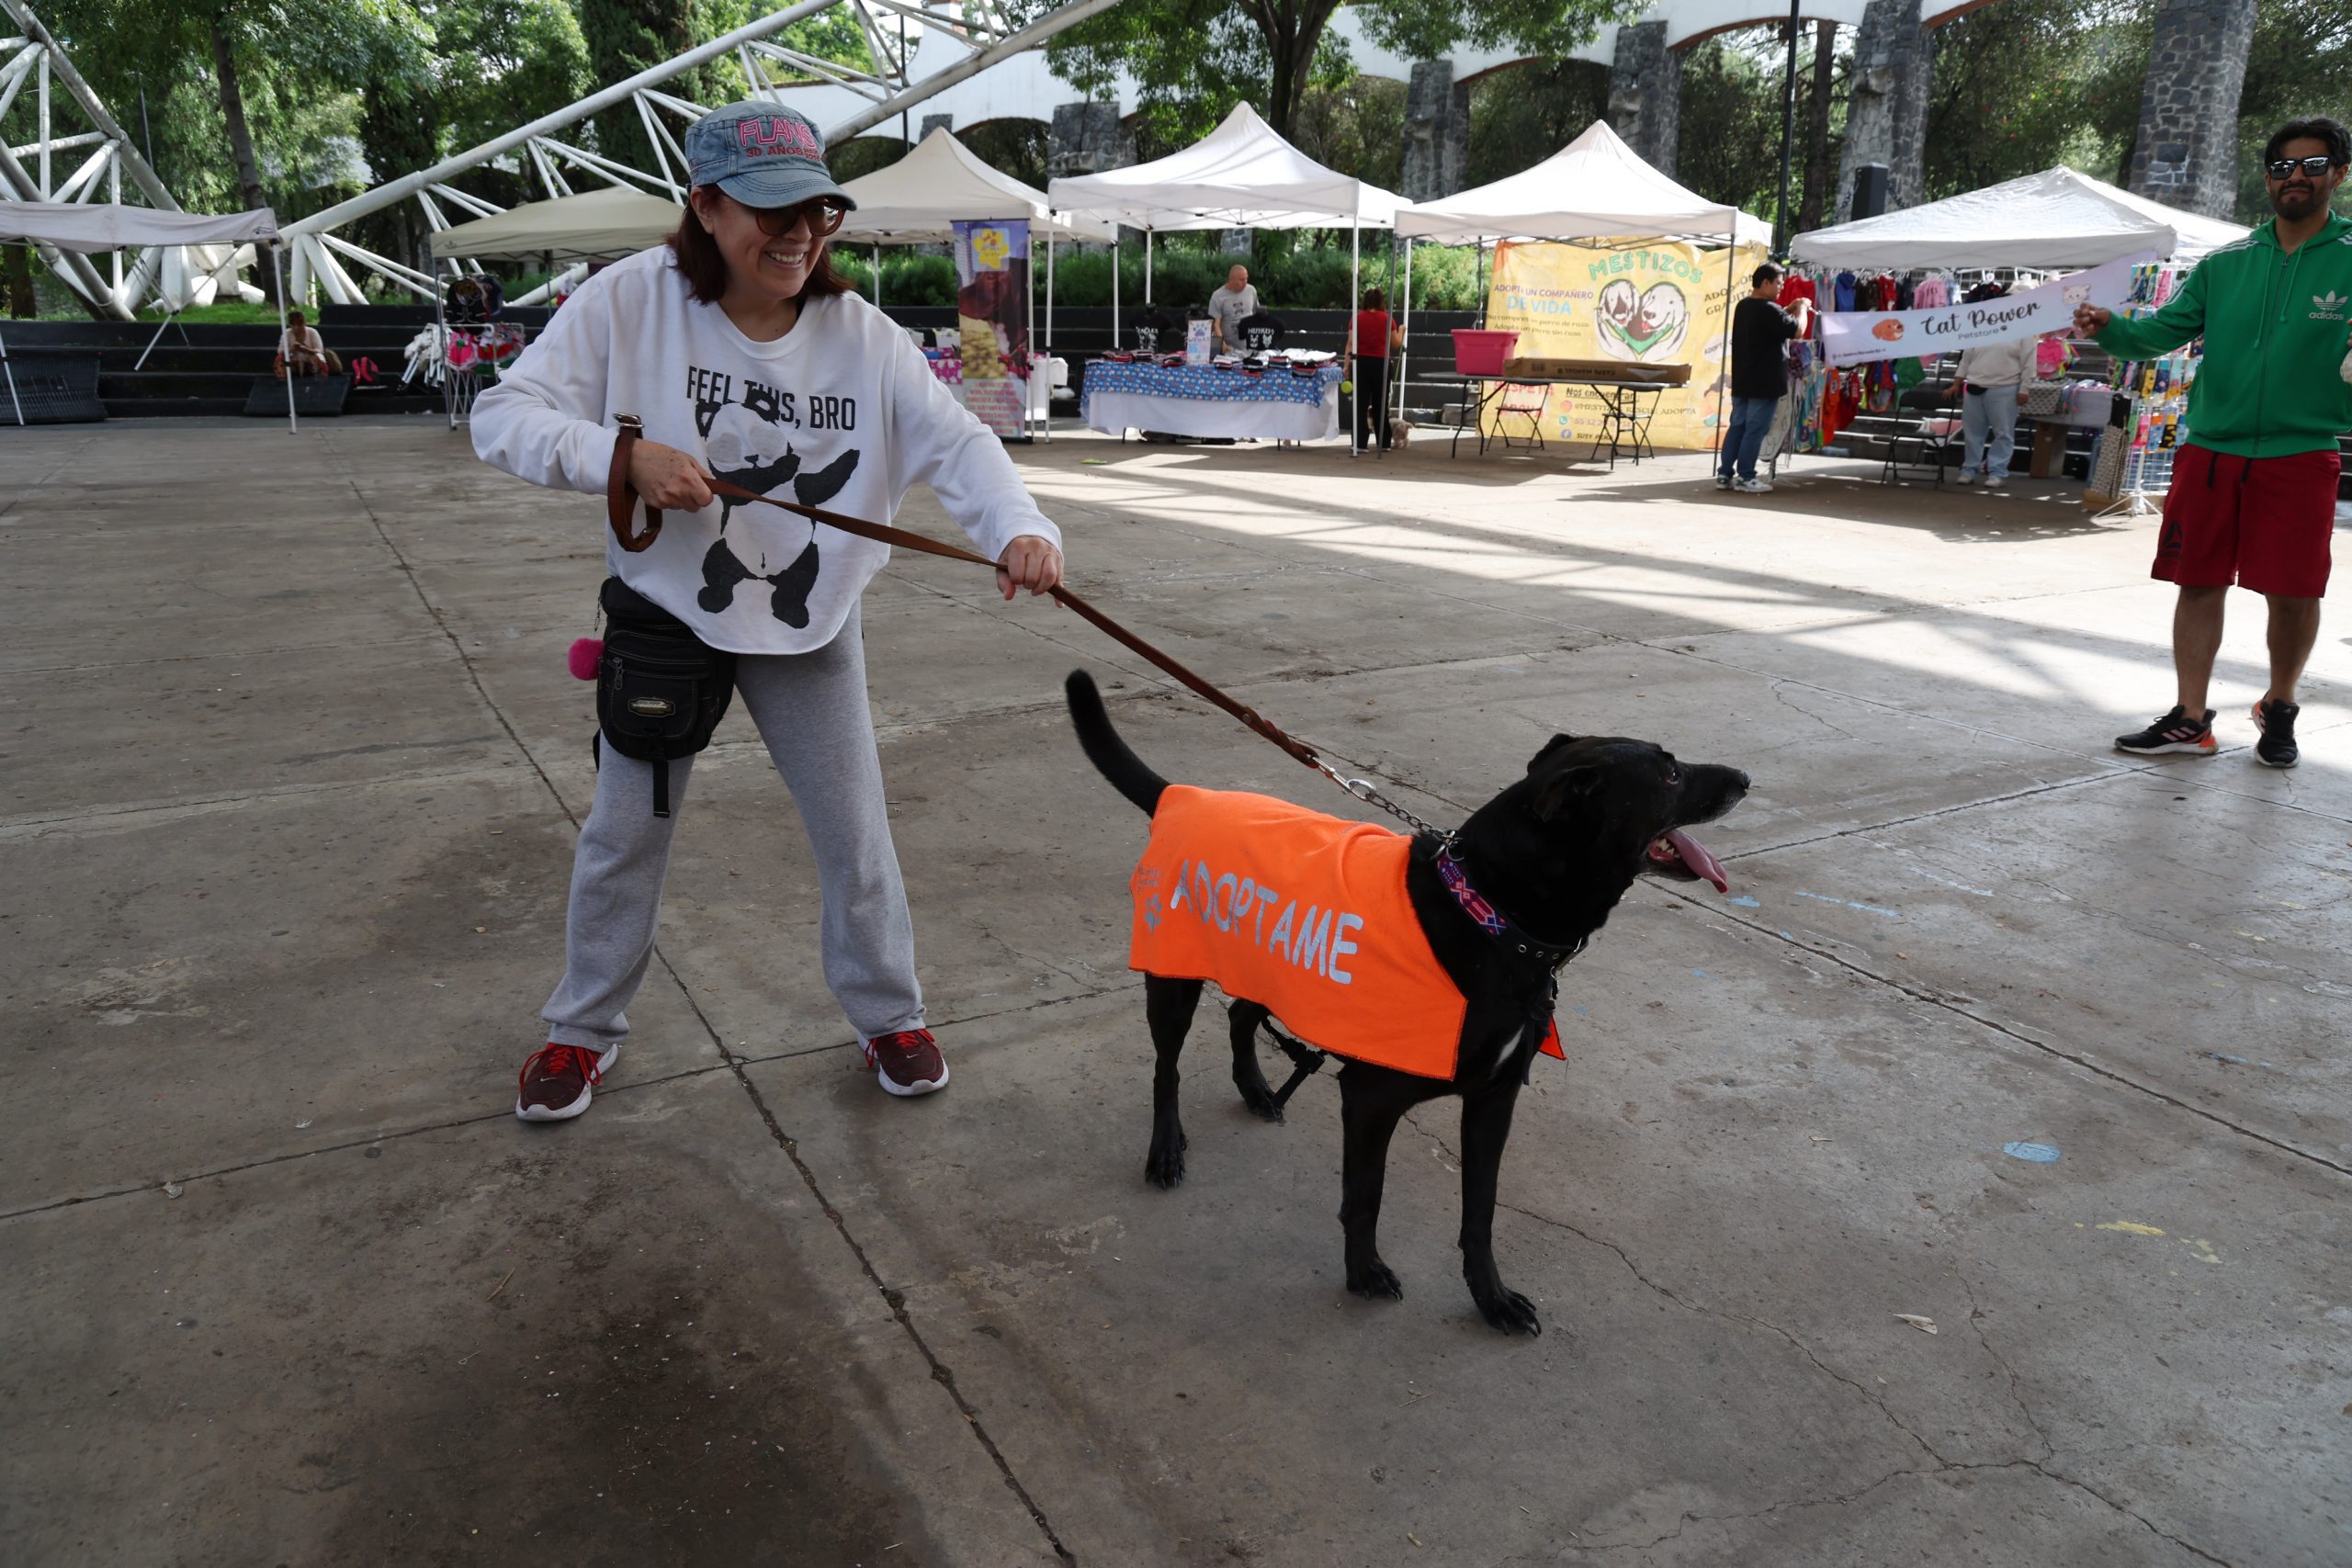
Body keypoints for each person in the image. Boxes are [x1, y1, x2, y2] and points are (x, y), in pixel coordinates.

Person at [470, 101, 1065, 1119]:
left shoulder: (861, 337)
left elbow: (955, 444)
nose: (795, 235)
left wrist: (1020, 525)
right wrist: (620, 459)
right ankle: (582, 1031)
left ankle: (890, 1016)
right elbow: (502, 414)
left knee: (854, 834)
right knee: (623, 836)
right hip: (667, 619)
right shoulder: (631, 302)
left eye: (816, 213)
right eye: (768, 211)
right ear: (704, 206)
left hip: (811, 622)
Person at [2080, 116, 2352, 768]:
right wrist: (2110, 325)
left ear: (2337, 175)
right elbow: (2160, 332)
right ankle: (2192, 718)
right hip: (2213, 450)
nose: (2295, 177)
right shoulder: (2226, 262)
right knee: (2197, 581)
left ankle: (2280, 703)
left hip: (2301, 450)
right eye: (2283, 165)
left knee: (2294, 591)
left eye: (2313, 166)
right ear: (2267, 176)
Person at [1717, 263, 1812, 494]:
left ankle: (1724, 474)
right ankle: (1746, 477)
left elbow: (1776, 319)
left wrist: (1789, 308)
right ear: (1766, 282)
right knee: (1755, 430)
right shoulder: (1768, 309)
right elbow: (1798, 331)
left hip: (1744, 379)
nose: (1781, 287)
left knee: (1738, 426)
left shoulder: (1745, 306)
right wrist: (1803, 309)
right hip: (1765, 381)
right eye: (1779, 283)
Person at [1951, 292, 2033, 487]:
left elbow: (2029, 363)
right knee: (1972, 433)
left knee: (2003, 433)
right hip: (1974, 387)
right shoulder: (1980, 327)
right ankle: (1970, 468)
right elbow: (1966, 359)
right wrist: (1956, 383)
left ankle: (1997, 472)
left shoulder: (2024, 330)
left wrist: (2025, 388)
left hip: (2005, 388)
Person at [1345, 285, 1403, 454]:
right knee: (1381, 405)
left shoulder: (1356, 318)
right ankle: (1383, 442)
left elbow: (1350, 343)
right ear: (1381, 302)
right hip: (1382, 364)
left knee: (1360, 406)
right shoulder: (1388, 319)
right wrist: (1402, 331)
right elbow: (1395, 344)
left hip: (1361, 363)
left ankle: (1359, 443)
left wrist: (1346, 365)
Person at [1206, 264, 1260, 353]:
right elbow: (1215, 325)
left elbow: (1257, 316)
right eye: (1241, 279)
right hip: (1228, 349)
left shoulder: (1251, 290)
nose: (1245, 282)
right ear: (1231, 279)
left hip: (1251, 346)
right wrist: (1221, 344)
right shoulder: (1218, 296)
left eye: (1246, 278)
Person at [275, 309, 341, 378]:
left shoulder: (312, 332)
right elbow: (279, 351)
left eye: (299, 324)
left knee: (318, 357)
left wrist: (305, 349)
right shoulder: (287, 333)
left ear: (304, 323)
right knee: (280, 358)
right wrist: (291, 349)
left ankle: (320, 378)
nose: (296, 328)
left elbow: (319, 350)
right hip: (294, 360)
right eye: (293, 325)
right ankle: (284, 378)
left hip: (310, 360)